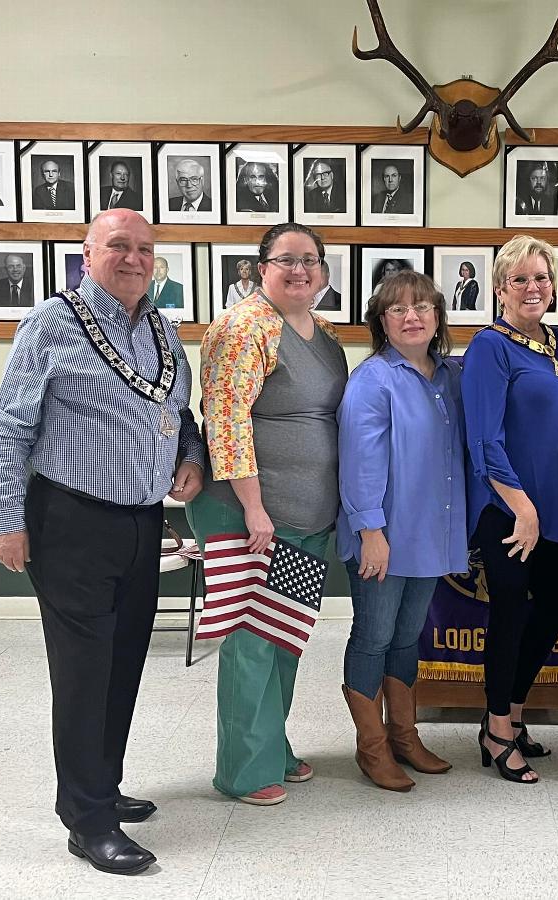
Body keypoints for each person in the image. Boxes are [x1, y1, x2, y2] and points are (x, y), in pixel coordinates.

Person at [0, 208, 204, 875]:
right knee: (83, 676)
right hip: (70, 521)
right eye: (119, 246)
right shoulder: (50, 323)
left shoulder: (161, 327)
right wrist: (3, 517)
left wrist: (191, 454)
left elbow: (177, 410)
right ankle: (87, 822)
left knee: (122, 666)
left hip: (141, 523)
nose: (134, 259)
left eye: (145, 249)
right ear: (87, 252)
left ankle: (99, 786)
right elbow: (10, 428)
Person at [187, 222, 348, 807]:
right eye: (286, 259)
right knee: (251, 640)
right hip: (248, 515)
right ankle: (243, 769)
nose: (299, 269)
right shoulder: (241, 326)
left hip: (305, 517)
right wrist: (255, 508)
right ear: (261, 268)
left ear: (324, 272)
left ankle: (271, 746)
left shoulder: (323, 333)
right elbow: (225, 421)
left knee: (283, 638)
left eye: (310, 260)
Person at [337, 270, 465, 791]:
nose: (411, 317)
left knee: (408, 638)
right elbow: (359, 461)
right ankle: (372, 749)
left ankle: (404, 736)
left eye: (422, 307)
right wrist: (370, 529)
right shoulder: (373, 379)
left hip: (430, 533)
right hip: (383, 537)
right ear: (381, 321)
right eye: (397, 309)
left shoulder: (448, 376)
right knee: (374, 636)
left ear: (437, 316)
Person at [462, 234, 558, 785]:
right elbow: (484, 440)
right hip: (507, 510)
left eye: (541, 277)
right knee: (511, 615)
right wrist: (522, 508)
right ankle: (497, 731)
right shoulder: (490, 346)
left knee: (554, 608)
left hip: (555, 510)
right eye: (520, 279)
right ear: (500, 289)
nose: (532, 287)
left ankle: (511, 710)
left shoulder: (557, 342)